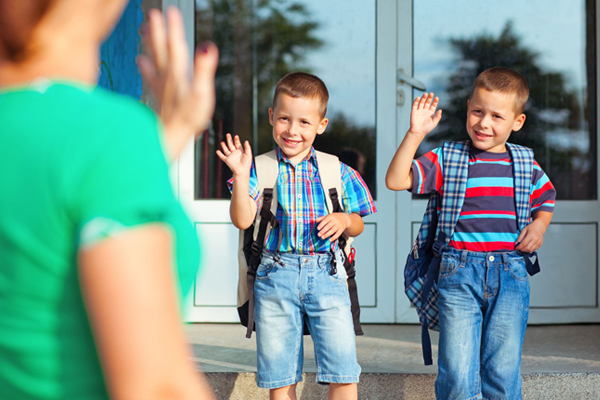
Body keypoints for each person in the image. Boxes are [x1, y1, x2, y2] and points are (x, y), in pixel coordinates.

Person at [0, 1, 218, 399]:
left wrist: (161, 143)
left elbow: (46, 209)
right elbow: (157, 388)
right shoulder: (106, 135)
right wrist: (130, 147)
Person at [385, 67, 556, 400]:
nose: (484, 123)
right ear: (467, 108)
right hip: (458, 272)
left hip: (511, 275)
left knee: (502, 371)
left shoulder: (524, 162)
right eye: (478, 111)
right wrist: (415, 134)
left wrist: (540, 225)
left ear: (516, 122)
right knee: (458, 372)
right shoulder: (448, 158)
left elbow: (546, 198)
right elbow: (396, 180)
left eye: (496, 116)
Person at [216, 72, 376, 400]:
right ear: (272, 117)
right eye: (285, 119)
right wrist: (241, 175)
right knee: (281, 377)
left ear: (321, 125)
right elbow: (242, 219)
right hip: (275, 276)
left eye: (305, 122)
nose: (293, 130)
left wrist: (345, 219)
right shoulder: (259, 168)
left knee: (343, 371)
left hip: (328, 275)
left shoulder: (337, 170)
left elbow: (359, 223)